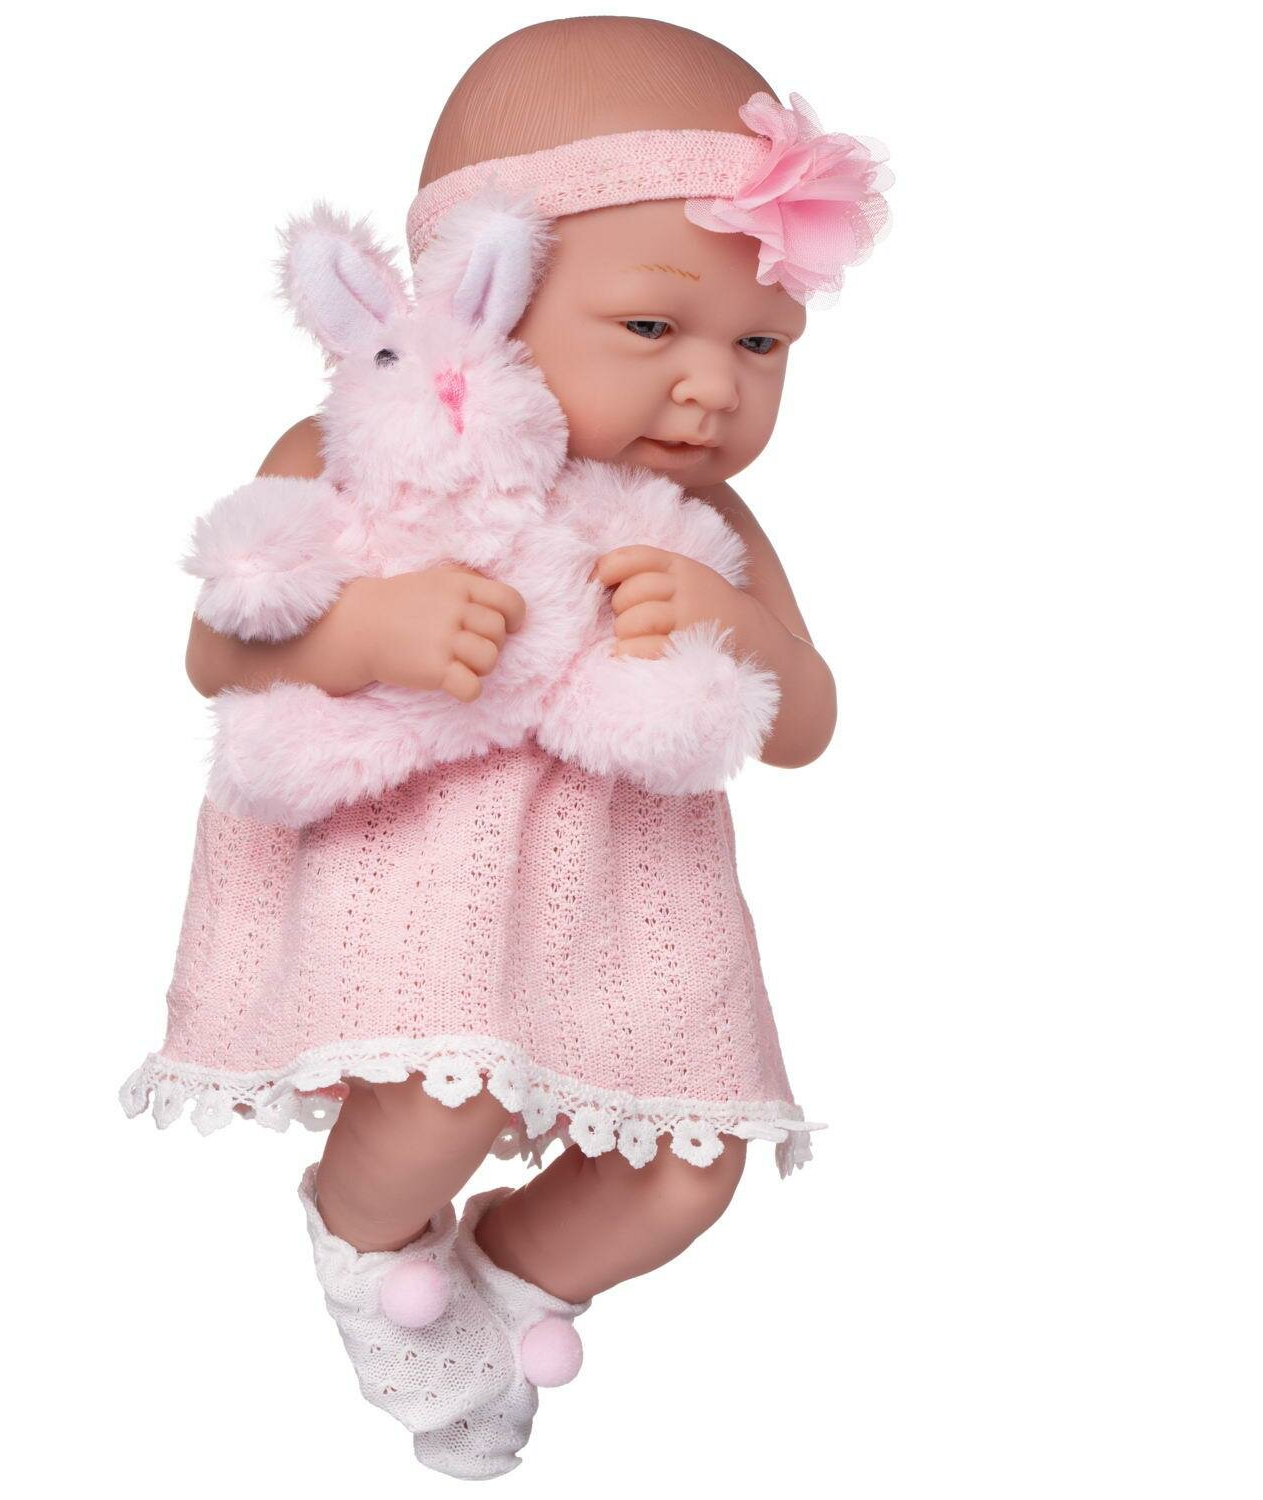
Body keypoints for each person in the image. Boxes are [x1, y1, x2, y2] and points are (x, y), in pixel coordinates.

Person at [122, 15, 888, 1479]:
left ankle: (498, 1288)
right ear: (487, 288)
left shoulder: (709, 524)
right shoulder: (353, 449)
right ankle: (370, 1248)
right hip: (416, 871)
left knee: (689, 1178)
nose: (715, 386)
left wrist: (743, 632)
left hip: (625, 900)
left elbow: (809, 726)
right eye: (654, 328)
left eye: (762, 344)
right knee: (442, 1097)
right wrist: (366, 631)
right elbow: (218, 651)